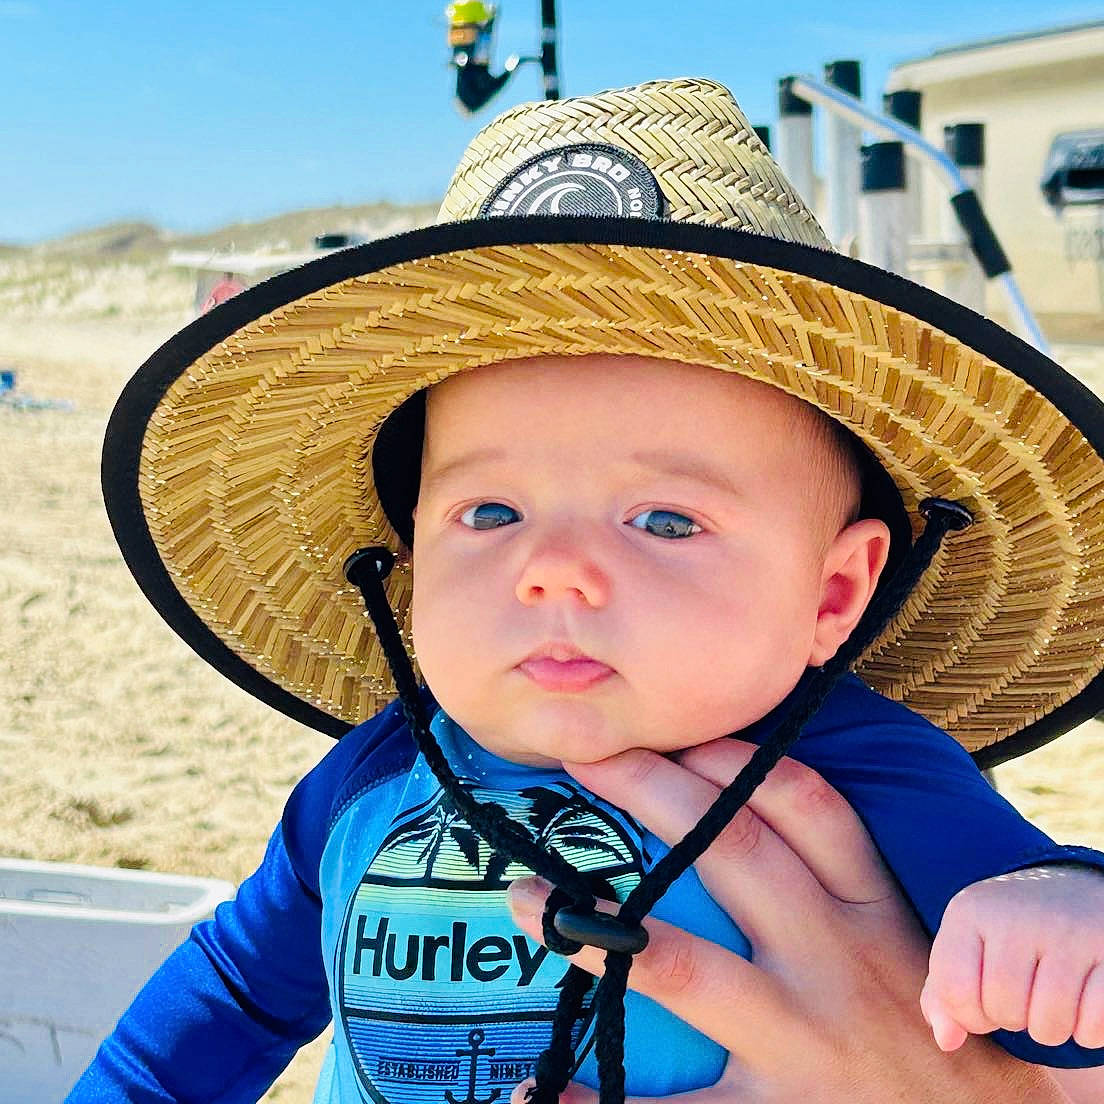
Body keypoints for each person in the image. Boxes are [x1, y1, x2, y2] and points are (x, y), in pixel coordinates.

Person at [73, 77, 1104, 1103]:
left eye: (664, 520)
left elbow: (1038, 995)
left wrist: (1056, 911)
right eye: (488, 514)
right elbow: (234, 997)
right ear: (411, 564)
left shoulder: (859, 773)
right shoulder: (369, 779)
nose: (551, 566)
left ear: (835, 597)